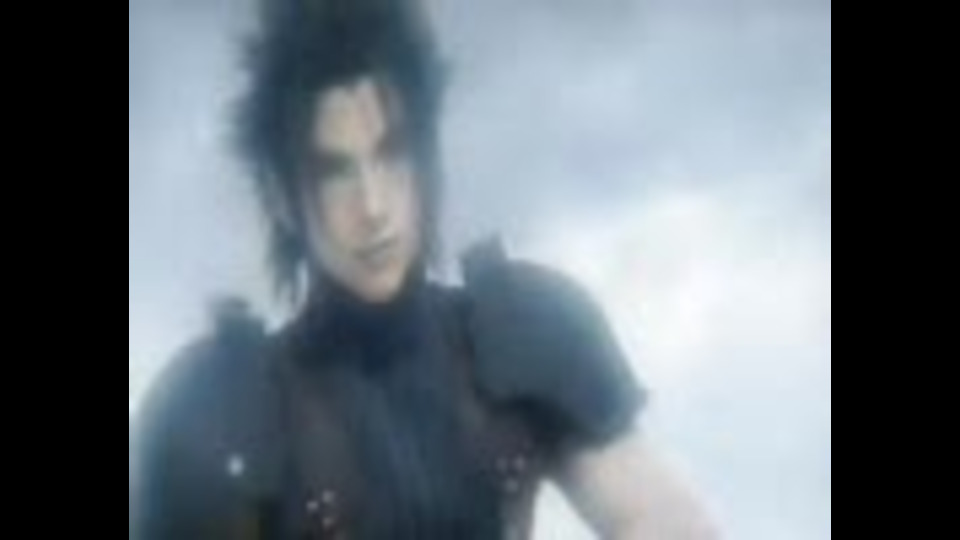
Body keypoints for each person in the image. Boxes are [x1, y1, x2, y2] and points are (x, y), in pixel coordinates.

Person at [130, 0, 719, 538]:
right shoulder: (219, 405)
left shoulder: (517, 333)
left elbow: (669, 523)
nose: (373, 206)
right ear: (283, 196)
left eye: (390, 154)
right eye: (335, 171)